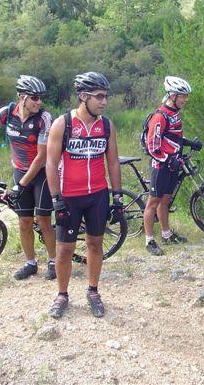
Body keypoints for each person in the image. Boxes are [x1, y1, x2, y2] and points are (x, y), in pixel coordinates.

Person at [46, 71, 123, 319]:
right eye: (99, 97)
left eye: (105, 97)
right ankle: (62, 294)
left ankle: (93, 291)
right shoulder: (63, 124)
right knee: (64, 249)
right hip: (70, 195)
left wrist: (118, 197)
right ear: (83, 96)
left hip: (98, 195)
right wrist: (56, 198)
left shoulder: (107, 125)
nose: (104, 101)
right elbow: (50, 163)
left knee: (94, 244)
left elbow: (113, 163)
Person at [0, 75, 56, 280]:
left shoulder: (44, 118)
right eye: (34, 97)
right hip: (19, 170)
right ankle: (30, 263)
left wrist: (20, 185)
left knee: (44, 220)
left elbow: (41, 157)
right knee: (24, 221)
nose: (39, 102)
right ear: (21, 97)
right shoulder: (7, 112)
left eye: (40, 98)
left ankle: (54, 261)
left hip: (42, 174)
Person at [143, 76, 202, 256]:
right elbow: (152, 146)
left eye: (186, 96)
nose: (185, 99)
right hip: (161, 166)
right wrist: (168, 159)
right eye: (182, 96)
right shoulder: (160, 116)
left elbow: (173, 137)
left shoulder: (174, 113)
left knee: (165, 201)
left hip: (172, 164)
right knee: (153, 202)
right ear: (172, 95)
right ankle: (149, 241)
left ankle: (166, 235)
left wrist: (189, 143)